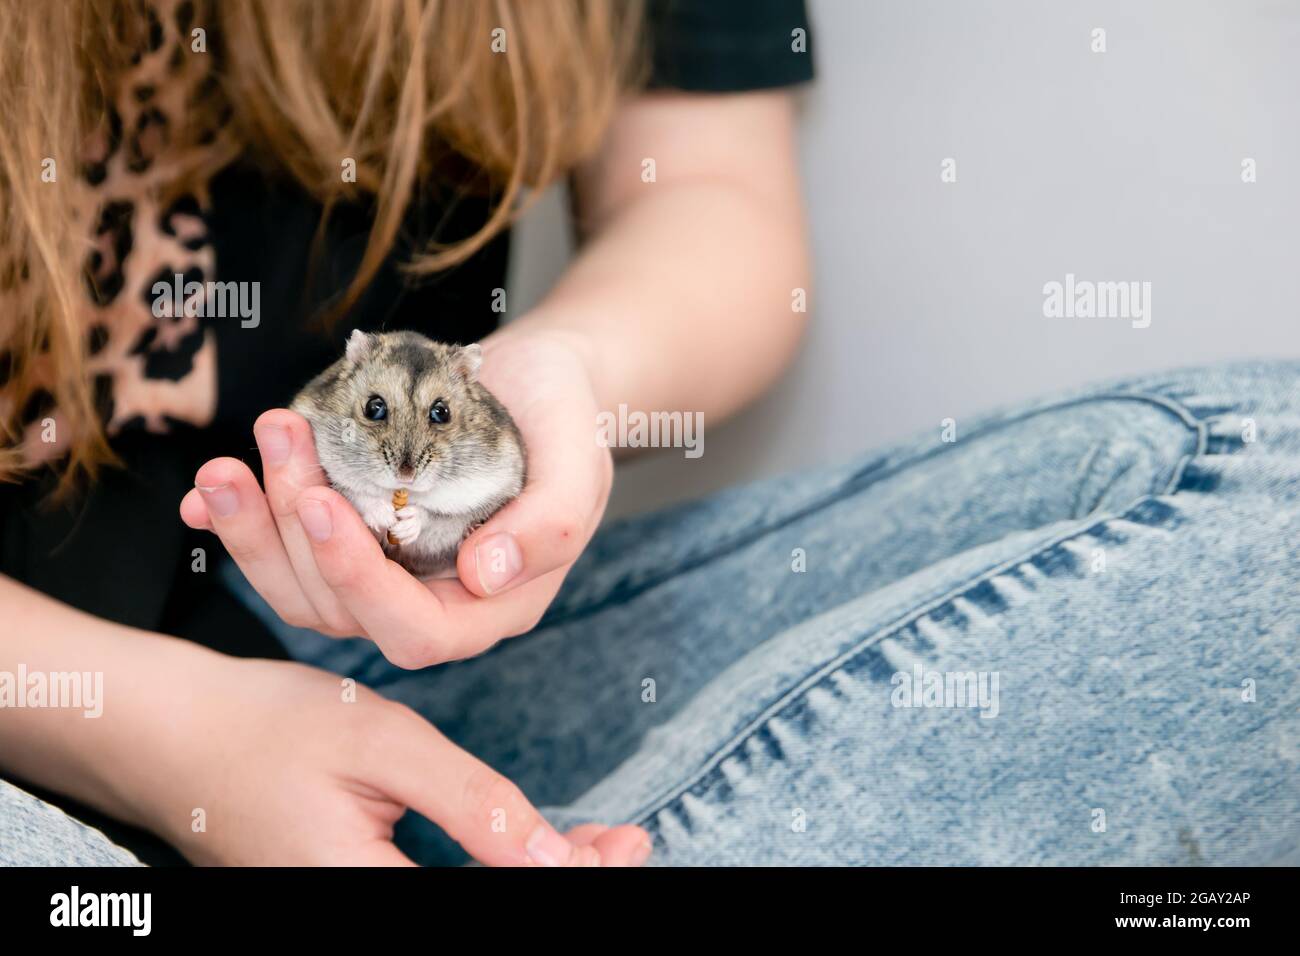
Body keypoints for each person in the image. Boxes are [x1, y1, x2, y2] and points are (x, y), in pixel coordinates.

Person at [2, 1, 1296, 868]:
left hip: (389, 660)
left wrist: (565, 372)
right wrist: (180, 745)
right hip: (38, 734)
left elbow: (718, 201)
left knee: (1267, 484)